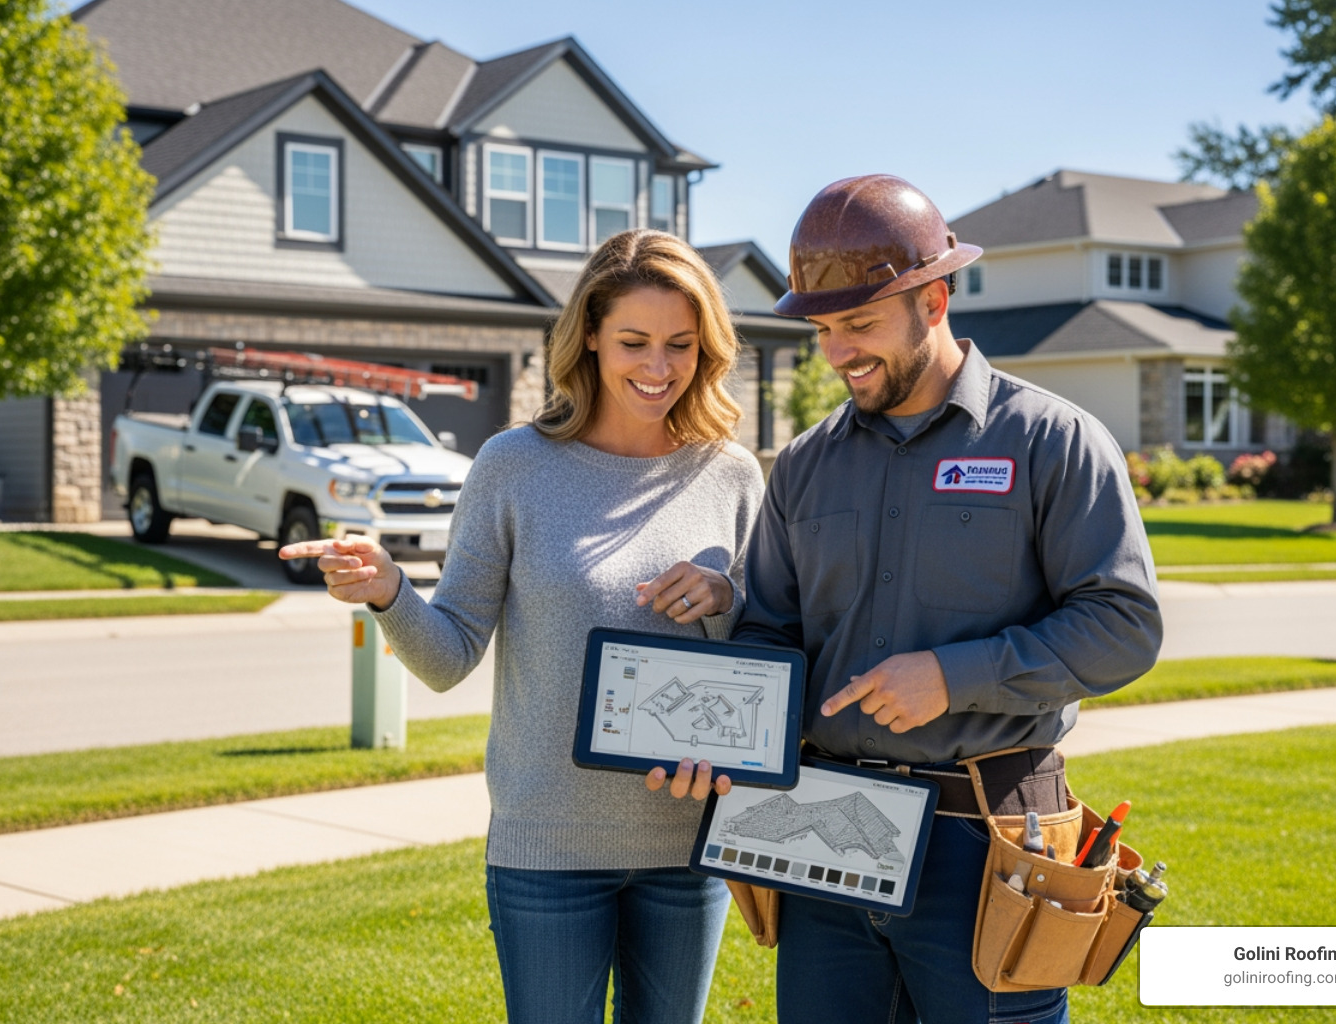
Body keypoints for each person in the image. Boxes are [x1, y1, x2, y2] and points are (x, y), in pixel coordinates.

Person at [279, 229, 766, 1024]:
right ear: (590, 337)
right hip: (548, 848)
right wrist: (391, 591)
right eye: (634, 342)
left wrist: (724, 599)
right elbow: (448, 657)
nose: (658, 366)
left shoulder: (731, 475)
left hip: (688, 842)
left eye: (680, 344)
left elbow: (764, 657)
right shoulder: (513, 466)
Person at [731, 175, 1164, 1024]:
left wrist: (953, 675)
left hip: (987, 846)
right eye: (822, 330)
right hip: (821, 831)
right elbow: (769, 627)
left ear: (934, 300)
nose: (837, 353)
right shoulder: (807, 464)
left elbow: (1123, 626)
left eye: (860, 324)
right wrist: (726, 726)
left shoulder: (1052, 441)